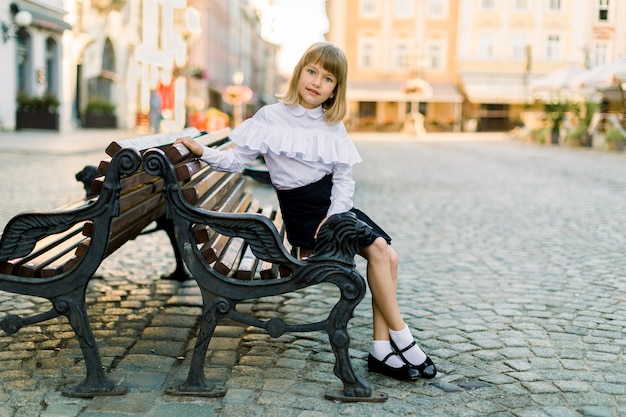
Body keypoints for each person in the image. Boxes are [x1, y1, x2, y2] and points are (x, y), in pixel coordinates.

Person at [175, 42, 436, 382]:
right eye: (312, 72)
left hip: (331, 209)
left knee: (390, 258)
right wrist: (203, 151)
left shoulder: (331, 124)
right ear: (300, 73)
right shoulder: (271, 116)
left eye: (327, 78)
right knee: (380, 250)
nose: (316, 82)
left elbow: (344, 179)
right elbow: (237, 161)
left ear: (335, 89)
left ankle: (381, 348)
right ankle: (403, 338)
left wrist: (337, 213)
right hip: (303, 215)